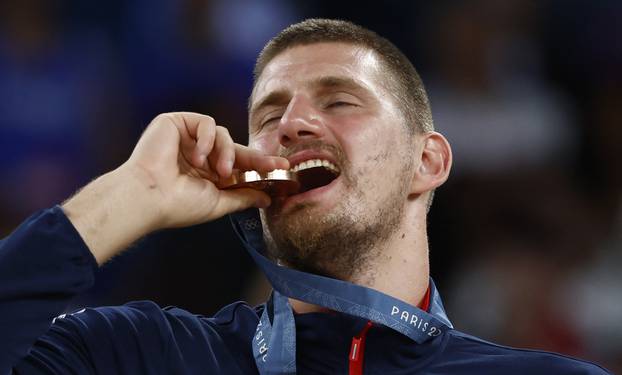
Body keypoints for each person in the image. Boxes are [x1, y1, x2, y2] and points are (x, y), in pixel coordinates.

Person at [0, 19, 611, 374]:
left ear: (427, 162)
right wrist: (132, 194)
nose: (290, 123)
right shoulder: (139, 354)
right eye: (268, 116)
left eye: (339, 100)